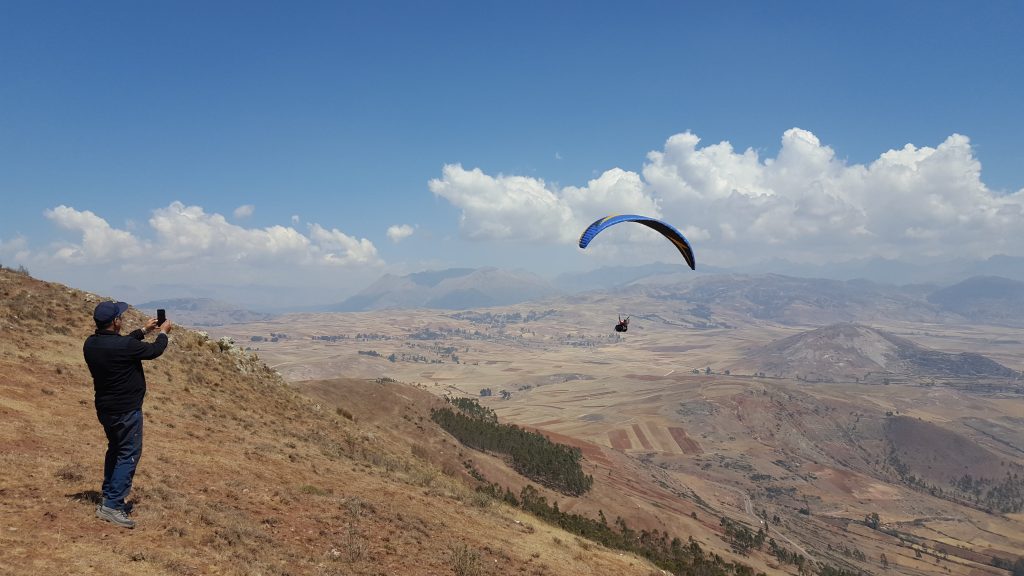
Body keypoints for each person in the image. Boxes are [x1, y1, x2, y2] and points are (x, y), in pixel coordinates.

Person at [83, 301, 172, 529]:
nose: (122, 319)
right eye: (120, 317)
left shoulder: (90, 344)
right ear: (115, 322)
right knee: (129, 453)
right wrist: (162, 333)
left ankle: (108, 494)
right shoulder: (123, 347)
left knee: (115, 448)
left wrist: (144, 330)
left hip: (106, 409)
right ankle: (112, 505)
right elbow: (154, 351)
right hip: (126, 410)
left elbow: (122, 344)